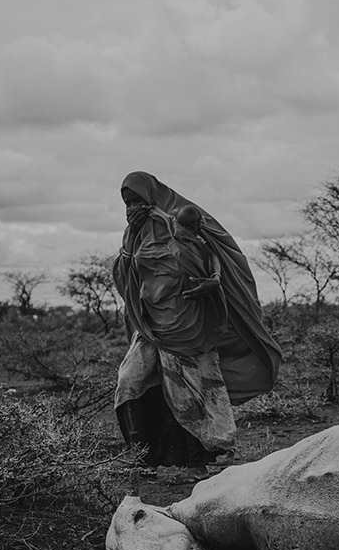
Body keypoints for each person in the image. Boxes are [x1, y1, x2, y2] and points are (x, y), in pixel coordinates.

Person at [112, 171, 282, 481]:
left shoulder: (180, 219)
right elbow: (125, 276)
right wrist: (128, 238)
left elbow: (214, 253)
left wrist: (213, 281)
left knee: (188, 392)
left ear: (151, 196)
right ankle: (137, 456)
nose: (131, 208)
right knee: (129, 381)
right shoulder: (135, 233)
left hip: (187, 324)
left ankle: (196, 463)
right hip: (150, 326)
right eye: (126, 203)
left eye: (136, 200)